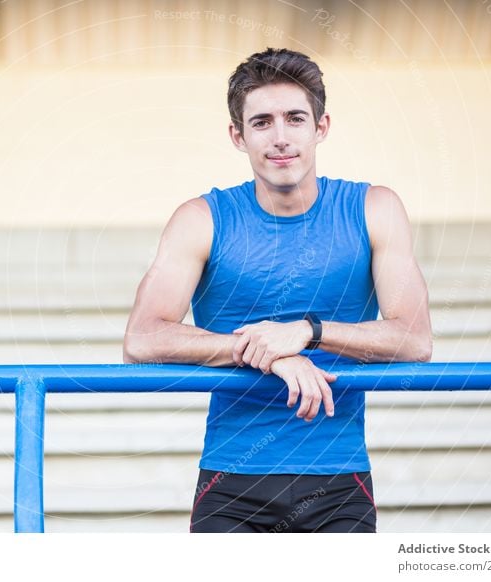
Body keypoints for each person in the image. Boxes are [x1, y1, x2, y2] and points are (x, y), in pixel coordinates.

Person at [123, 48, 432, 533]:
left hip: (338, 480)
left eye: (295, 119)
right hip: (231, 480)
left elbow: (414, 341)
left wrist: (308, 333)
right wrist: (269, 352)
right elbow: (141, 339)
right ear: (237, 135)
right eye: (262, 122)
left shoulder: (375, 209)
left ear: (321, 127)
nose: (281, 138)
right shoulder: (200, 219)